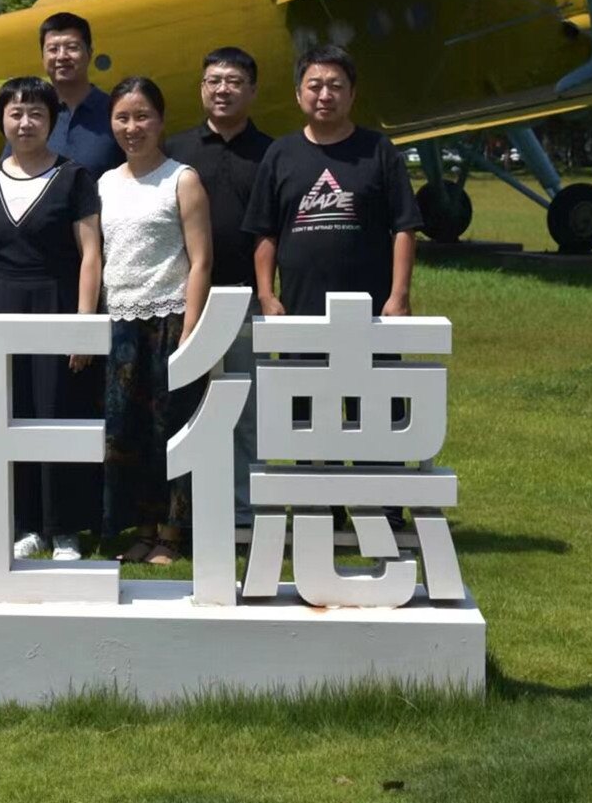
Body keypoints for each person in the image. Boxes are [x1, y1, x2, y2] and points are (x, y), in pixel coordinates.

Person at [0, 76, 103, 562]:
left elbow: (91, 254)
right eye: (16, 113)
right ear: (2, 119)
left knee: (59, 412)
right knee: (16, 413)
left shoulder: (74, 177)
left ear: (52, 121)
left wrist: (84, 324)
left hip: (58, 304)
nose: (25, 123)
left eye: (36, 114)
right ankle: (27, 524)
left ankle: (65, 528)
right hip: (4, 308)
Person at [99, 76, 211, 566]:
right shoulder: (105, 183)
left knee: (172, 428)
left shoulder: (181, 179)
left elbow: (201, 260)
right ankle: (141, 528)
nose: (133, 127)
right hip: (120, 322)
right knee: (128, 432)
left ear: (161, 121)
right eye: (122, 117)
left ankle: (172, 533)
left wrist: (191, 327)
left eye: (142, 116)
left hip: (171, 318)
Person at [164, 47, 272, 534]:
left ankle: (244, 512)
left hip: (246, 299)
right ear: (201, 88)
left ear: (252, 90)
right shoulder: (176, 151)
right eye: (213, 81)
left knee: (245, 408)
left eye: (233, 81)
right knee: (185, 406)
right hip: (182, 300)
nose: (222, 90)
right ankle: (184, 513)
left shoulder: (271, 152)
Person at [243, 45, 421, 320]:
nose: (325, 96)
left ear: (352, 94)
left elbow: (404, 227)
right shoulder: (280, 154)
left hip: (370, 310)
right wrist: (266, 295)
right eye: (315, 86)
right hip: (299, 309)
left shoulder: (379, 150)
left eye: (335, 86)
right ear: (298, 94)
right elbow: (265, 231)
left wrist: (400, 295)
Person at [33, 12, 125, 176]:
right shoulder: (30, 117)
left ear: (89, 53)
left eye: (72, 47)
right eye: (53, 49)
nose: (62, 56)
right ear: (42, 57)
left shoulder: (115, 111)